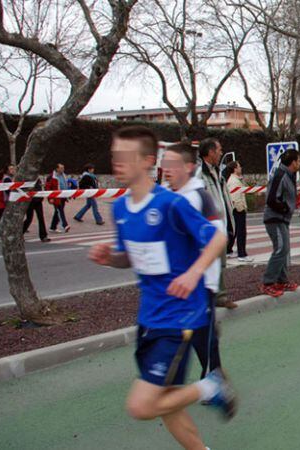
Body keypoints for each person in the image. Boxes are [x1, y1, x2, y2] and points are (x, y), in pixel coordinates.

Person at [88, 126, 236, 450]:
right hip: (149, 318)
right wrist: (109, 259)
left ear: (147, 161)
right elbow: (130, 258)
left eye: (125, 156)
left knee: (142, 405)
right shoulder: (121, 208)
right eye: (115, 155)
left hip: (180, 318)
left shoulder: (171, 204)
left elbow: (218, 238)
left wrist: (194, 273)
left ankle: (210, 386)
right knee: (168, 402)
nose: (117, 162)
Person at [161, 142, 227, 380]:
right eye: (164, 163)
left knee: (201, 332)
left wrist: (198, 272)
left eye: (172, 164)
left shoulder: (200, 197)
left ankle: (215, 377)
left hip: (200, 281)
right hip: (174, 280)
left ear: (189, 167)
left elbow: (218, 237)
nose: (165, 169)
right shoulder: (167, 196)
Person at [198, 138, 236, 309]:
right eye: (219, 150)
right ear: (210, 152)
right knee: (211, 262)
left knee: (220, 262)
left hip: (220, 224)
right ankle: (212, 296)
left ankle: (219, 294)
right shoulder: (200, 174)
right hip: (209, 226)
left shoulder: (216, 173)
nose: (221, 153)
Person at [262, 149, 300, 297]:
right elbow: (271, 198)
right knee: (280, 249)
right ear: (293, 162)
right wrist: (285, 208)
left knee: (284, 249)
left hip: (282, 218)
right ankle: (268, 282)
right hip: (275, 218)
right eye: (299, 160)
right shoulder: (280, 175)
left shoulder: (289, 176)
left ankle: (282, 280)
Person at [224, 161, 252, 263]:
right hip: (238, 210)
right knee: (241, 232)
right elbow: (235, 197)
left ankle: (229, 251)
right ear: (235, 169)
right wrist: (241, 208)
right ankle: (242, 254)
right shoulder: (234, 181)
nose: (241, 168)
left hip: (236, 209)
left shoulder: (235, 180)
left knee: (235, 231)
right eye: (239, 166)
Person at [22, 175, 50, 242]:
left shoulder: (37, 178)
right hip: (30, 201)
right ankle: (20, 233)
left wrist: (41, 197)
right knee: (29, 219)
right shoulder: (27, 178)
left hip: (38, 200)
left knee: (41, 218)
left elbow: (40, 188)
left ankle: (43, 236)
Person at [46, 163, 70, 233]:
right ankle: (65, 225)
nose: (63, 169)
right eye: (61, 168)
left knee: (57, 212)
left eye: (63, 168)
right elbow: (48, 188)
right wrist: (50, 198)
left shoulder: (64, 175)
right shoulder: (51, 177)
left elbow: (65, 185)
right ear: (57, 169)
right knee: (60, 211)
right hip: (56, 197)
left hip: (63, 196)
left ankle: (53, 227)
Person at [0, 164, 15, 229]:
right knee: (4, 215)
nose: (13, 170)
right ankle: (2, 229)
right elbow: (8, 190)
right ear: (7, 171)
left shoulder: (6, 178)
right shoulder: (7, 178)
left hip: (3, 200)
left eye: (13, 169)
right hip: (5, 200)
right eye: (11, 169)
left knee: (3, 215)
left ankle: (1, 228)